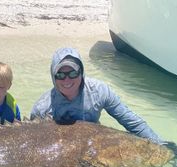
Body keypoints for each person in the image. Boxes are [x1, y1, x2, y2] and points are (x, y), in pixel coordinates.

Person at [30, 47, 164, 144]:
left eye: (72, 73)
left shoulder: (100, 91)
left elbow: (131, 122)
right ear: (53, 76)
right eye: (60, 75)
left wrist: (161, 145)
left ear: (81, 73)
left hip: (92, 147)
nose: (67, 80)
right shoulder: (41, 109)